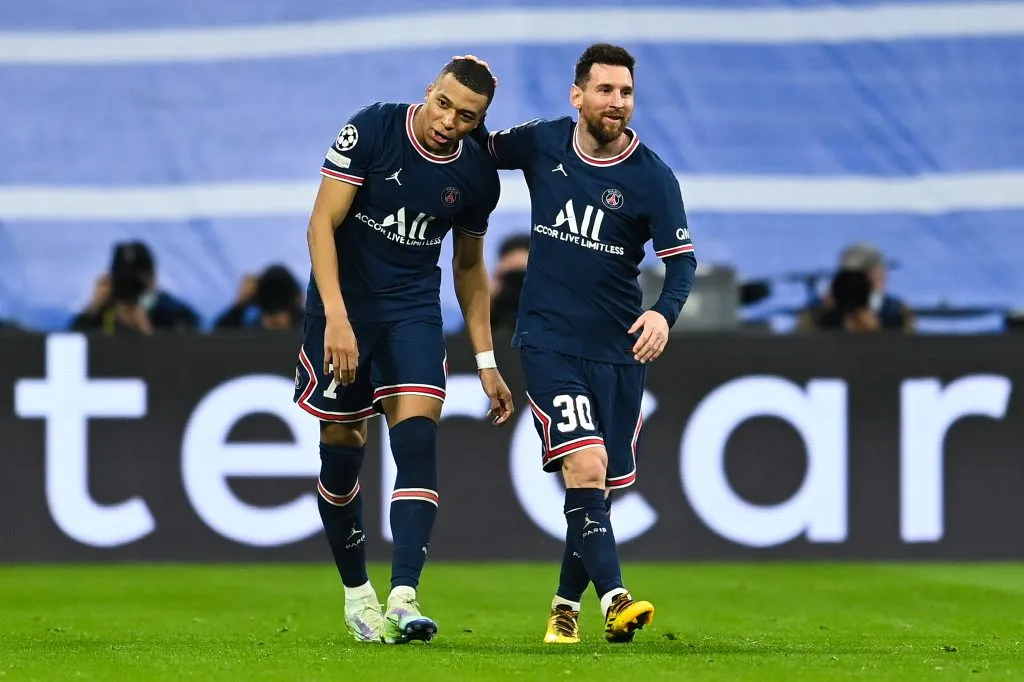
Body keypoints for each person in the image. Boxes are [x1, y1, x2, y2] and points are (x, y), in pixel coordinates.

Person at [461, 44, 696, 644]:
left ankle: (565, 606)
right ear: (578, 96)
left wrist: (665, 315)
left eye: (625, 92)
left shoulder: (653, 178)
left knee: (596, 487)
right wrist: (467, 96)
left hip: (619, 351)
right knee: (586, 467)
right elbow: (477, 142)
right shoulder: (543, 143)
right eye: (605, 90)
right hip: (548, 341)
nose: (616, 102)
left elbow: (682, 264)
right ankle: (616, 599)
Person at [292, 58, 514, 645]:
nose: (449, 121)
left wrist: (486, 361)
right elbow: (320, 224)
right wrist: (337, 320)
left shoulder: (477, 177)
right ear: (429, 93)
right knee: (342, 454)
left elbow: (468, 269)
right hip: (343, 308)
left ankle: (404, 596)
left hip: (412, 313)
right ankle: (357, 594)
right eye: (444, 104)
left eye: (467, 116)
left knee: (417, 436)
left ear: (480, 120)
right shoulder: (372, 129)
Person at [70, 241, 200, 335]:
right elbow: (72, 350)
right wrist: (93, 309)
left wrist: (148, 332)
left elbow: (186, 356)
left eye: (137, 283)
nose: (130, 289)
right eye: (123, 282)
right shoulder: (100, 315)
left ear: (152, 278)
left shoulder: (175, 314)